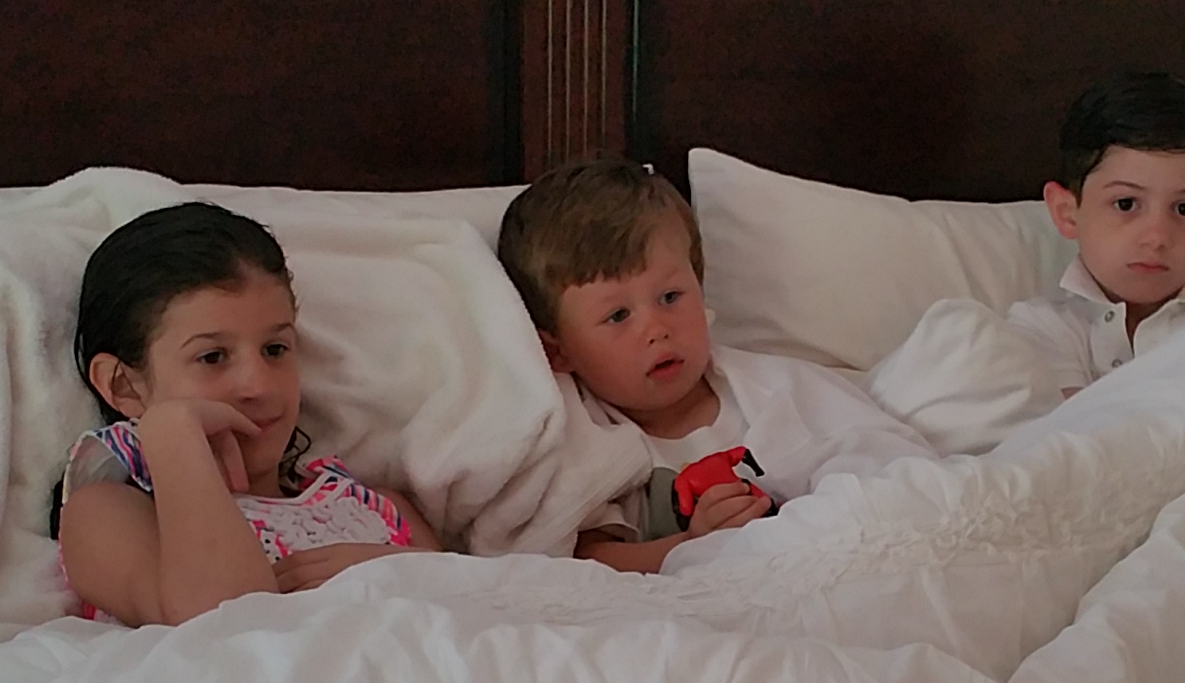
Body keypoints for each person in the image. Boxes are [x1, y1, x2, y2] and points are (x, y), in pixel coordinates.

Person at [498, 157, 932, 574]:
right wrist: (691, 546)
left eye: (670, 297)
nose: (657, 329)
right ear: (558, 352)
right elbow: (580, 562)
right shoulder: (581, 441)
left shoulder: (780, 390)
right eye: (618, 316)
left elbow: (891, 473)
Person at [57, 203, 439, 626]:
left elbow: (474, 611)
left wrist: (392, 573)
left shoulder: (378, 509)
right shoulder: (107, 515)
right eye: (212, 357)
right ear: (124, 386)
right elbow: (224, 624)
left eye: (275, 349)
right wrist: (171, 434)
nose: (259, 385)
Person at [1006, 72, 1185, 397]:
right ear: (1066, 212)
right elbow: (1075, 427)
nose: (1157, 237)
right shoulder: (1044, 327)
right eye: (1126, 204)